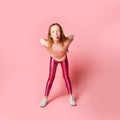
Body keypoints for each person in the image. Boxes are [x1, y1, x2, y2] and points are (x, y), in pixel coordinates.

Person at [39, 23, 76, 107]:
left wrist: (66, 40)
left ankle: (71, 97)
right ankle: (45, 97)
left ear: (61, 33)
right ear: (50, 35)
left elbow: (72, 36)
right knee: (51, 77)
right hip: (54, 59)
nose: (56, 34)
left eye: (58, 31)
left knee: (66, 77)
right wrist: (47, 40)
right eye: (53, 32)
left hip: (63, 59)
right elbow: (40, 40)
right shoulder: (48, 44)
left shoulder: (66, 42)